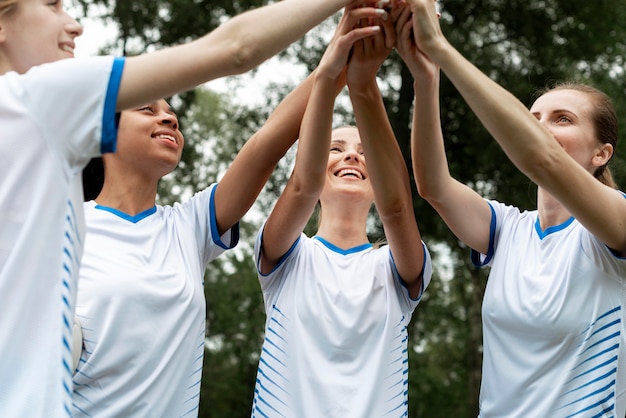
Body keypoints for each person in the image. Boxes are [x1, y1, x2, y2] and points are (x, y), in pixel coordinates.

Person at [0, 0, 364, 415]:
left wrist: (337, 63)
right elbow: (235, 48)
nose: (170, 119)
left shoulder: (187, 228)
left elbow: (267, 144)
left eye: (173, 114)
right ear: (100, 128)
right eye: (146, 108)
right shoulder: (60, 219)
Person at [395, 0, 626, 416]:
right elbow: (433, 186)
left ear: (601, 153)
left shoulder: (615, 226)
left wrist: (442, 48)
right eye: (534, 116)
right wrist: (426, 78)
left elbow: (540, 158)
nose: (540, 127)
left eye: (562, 119)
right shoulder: (508, 230)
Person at [250, 3, 432, 417]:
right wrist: (331, 72)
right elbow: (301, 185)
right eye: (336, 149)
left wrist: (364, 83)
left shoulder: (396, 265)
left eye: (364, 153)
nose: (351, 157)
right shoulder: (287, 257)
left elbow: (399, 207)